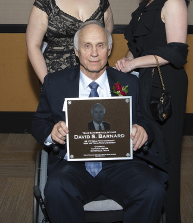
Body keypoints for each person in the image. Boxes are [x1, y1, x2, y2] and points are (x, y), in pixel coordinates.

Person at [32, 21, 168, 223]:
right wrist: (52, 133)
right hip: (74, 165)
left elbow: (145, 120)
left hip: (120, 164)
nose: (94, 53)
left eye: (100, 45)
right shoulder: (55, 82)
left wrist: (144, 131)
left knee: (152, 189)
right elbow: (38, 122)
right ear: (77, 51)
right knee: (57, 188)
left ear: (109, 49)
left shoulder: (130, 82)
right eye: (87, 46)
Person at [115, 0, 190, 223]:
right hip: (142, 83)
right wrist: (127, 58)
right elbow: (141, 44)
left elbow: (175, 51)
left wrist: (134, 62)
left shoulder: (174, 1)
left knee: (167, 156)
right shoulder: (148, 2)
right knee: (141, 151)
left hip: (165, 87)